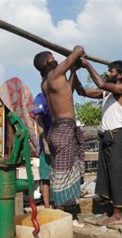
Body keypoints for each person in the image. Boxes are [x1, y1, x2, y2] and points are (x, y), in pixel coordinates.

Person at [76, 58, 122, 225]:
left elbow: (101, 84)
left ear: (120, 75)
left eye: (111, 71)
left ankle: (117, 215)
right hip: (107, 138)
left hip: (117, 138)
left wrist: (87, 64)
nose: (108, 73)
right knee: (112, 176)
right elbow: (82, 92)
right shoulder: (108, 93)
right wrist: (73, 71)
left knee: (117, 176)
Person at [33, 46, 85, 211]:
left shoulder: (45, 83)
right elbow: (78, 49)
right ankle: (60, 212)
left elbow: (67, 91)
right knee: (61, 175)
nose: (56, 59)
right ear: (49, 60)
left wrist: (74, 72)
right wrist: (76, 55)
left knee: (58, 171)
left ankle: (59, 209)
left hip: (55, 131)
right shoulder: (55, 74)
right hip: (64, 128)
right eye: (53, 57)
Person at [33, 92, 52, 208]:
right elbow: (38, 120)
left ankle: (59, 205)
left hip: (60, 143)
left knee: (59, 175)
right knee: (46, 176)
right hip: (47, 143)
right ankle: (47, 206)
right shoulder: (41, 97)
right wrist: (45, 143)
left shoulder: (58, 94)